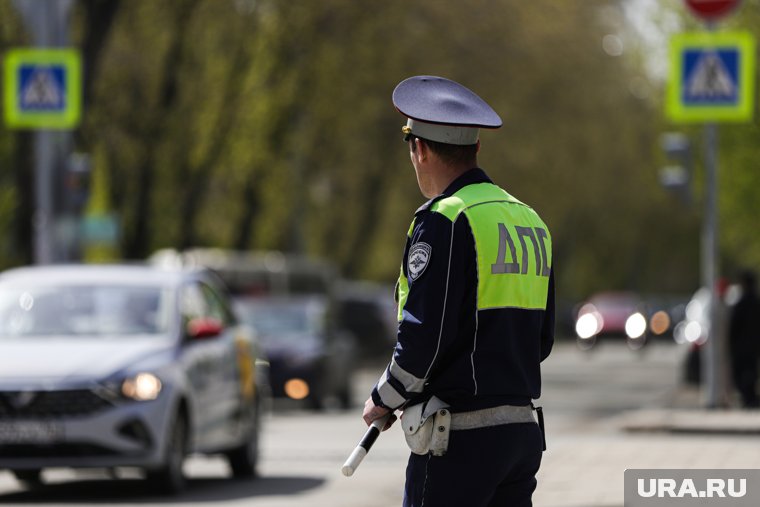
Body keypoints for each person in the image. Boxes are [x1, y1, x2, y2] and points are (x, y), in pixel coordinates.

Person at [362, 75, 554, 507]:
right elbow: (540, 340)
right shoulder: (530, 221)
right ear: (476, 147)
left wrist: (383, 399)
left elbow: (423, 338)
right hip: (521, 435)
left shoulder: (444, 219)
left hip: (457, 441)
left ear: (421, 149)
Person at [728, 270, 760, 408]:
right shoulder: (756, 302)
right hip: (753, 347)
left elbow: (734, 327)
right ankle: (750, 398)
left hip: (742, 348)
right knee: (751, 374)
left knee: (743, 375)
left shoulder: (742, 303)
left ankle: (749, 399)